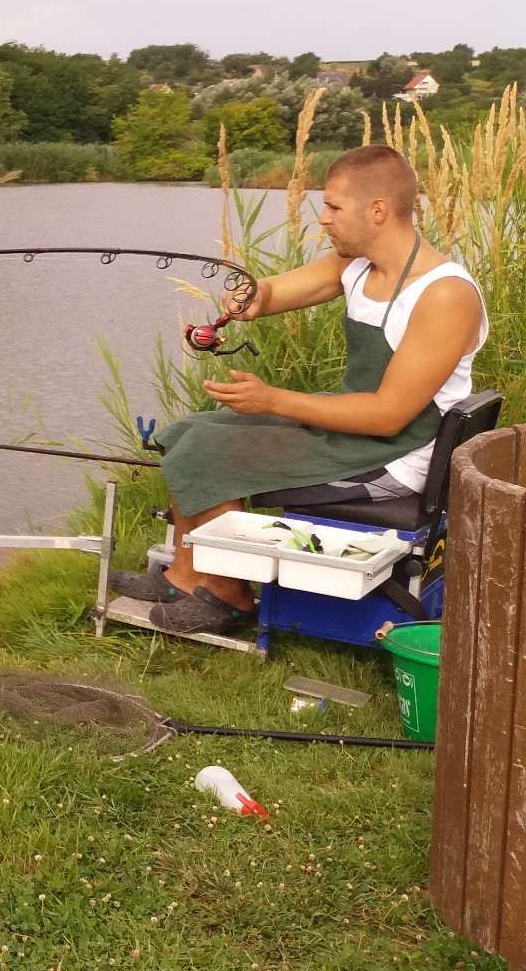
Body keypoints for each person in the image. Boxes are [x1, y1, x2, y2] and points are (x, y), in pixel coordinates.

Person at [111, 144, 488, 634]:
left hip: (395, 455)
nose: (323, 219)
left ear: (377, 210)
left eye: (332, 207)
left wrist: (271, 401)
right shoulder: (356, 265)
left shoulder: (443, 294)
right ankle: (186, 577)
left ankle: (228, 595)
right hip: (355, 429)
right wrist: (249, 298)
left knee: (213, 449)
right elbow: (273, 292)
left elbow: (388, 415)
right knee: (186, 432)